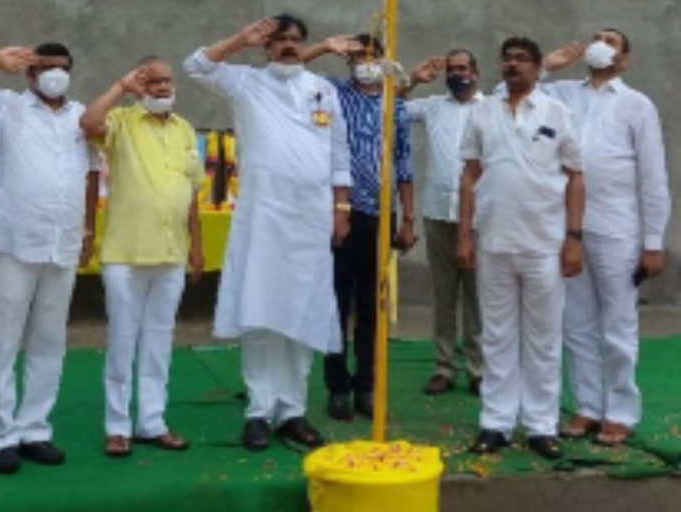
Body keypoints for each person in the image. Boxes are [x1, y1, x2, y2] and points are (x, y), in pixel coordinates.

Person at [184, 14, 352, 451]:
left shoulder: (324, 90)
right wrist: (239, 38)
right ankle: (259, 410)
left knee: (303, 315)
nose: (289, 46)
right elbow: (195, 66)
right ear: (267, 47)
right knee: (259, 315)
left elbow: (339, 155)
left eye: (296, 40)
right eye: (280, 41)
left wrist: (342, 208)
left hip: (311, 220)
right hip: (263, 218)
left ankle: (292, 412)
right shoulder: (245, 83)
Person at [0, 43, 100, 474]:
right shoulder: (6, 106)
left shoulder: (82, 116)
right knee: (2, 341)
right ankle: (1, 435)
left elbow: (91, 173)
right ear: (29, 75)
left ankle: (34, 429)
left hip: (62, 241)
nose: (54, 75)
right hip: (12, 240)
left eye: (62, 68)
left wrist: (88, 230)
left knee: (50, 343)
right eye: (44, 69)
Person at [540, 30, 671, 445]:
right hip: (569, 226)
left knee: (617, 324)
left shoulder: (637, 105)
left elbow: (653, 177)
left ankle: (620, 412)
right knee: (575, 323)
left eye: (611, 41)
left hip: (618, 229)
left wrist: (653, 241)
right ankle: (586, 408)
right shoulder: (561, 93)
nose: (601, 45)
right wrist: (547, 66)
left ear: (625, 59)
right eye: (597, 38)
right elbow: (508, 98)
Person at [457, 37, 584, 460]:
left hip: (544, 243)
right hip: (493, 241)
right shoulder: (482, 112)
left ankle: (541, 426)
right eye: (507, 58)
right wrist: (464, 235)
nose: (512, 65)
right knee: (496, 336)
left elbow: (577, 179)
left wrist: (574, 238)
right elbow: (470, 176)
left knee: (543, 339)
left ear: (537, 67)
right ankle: (495, 423)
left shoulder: (558, 113)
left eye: (522, 59)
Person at [80, 56, 204, 457]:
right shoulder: (121, 121)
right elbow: (88, 124)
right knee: (123, 337)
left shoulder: (185, 129)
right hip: (126, 253)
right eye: (151, 81)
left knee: (159, 339)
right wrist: (121, 84)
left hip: (172, 253)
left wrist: (197, 247)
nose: (162, 87)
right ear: (138, 85)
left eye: (167, 80)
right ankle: (117, 427)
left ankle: (152, 421)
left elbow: (191, 193)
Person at [300, 33, 415, 421]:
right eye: (359, 56)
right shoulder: (331, 93)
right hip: (339, 211)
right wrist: (325, 47)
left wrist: (408, 218)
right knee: (336, 301)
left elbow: (404, 165)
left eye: (372, 56)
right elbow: (293, 66)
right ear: (348, 61)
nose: (366, 62)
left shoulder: (394, 107)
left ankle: (367, 384)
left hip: (380, 216)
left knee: (372, 305)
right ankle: (337, 387)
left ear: (382, 60)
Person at [401, 49, 484, 396]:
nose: (457, 74)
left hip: (480, 217)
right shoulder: (432, 105)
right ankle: (444, 366)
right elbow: (389, 111)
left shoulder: (492, 106)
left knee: (478, 298)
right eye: (452, 69)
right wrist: (412, 81)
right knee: (444, 295)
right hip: (438, 214)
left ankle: (480, 370)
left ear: (475, 72)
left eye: (463, 68)